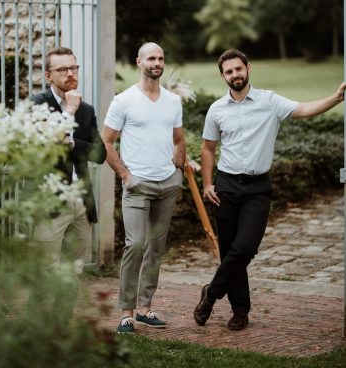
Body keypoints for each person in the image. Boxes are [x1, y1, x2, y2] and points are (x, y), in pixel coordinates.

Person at [193, 48, 345, 331]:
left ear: (248, 68)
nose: (235, 74)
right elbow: (208, 148)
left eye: (239, 69)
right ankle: (240, 311)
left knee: (245, 248)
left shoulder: (269, 101)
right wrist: (208, 183)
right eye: (229, 71)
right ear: (222, 76)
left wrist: (336, 98)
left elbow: (304, 109)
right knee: (230, 251)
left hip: (257, 187)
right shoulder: (217, 109)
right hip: (225, 186)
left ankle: (211, 293)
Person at [102, 42, 186, 334]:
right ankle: (126, 313)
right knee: (135, 244)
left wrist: (178, 169)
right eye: (151, 57)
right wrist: (126, 174)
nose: (157, 62)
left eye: (161, 58)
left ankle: (145, 309)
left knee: (155, 248)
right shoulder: (124, 100)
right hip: (138, 185)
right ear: (139, 61)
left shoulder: (173, 101)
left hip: (167, 184)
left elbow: (178, 139)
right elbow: (106, 141)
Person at [31, 46, 106, 270]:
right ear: (48, 75)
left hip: (82, 201)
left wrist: (72, 143)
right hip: (50, 202)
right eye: (62, 69)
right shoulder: (37, 105)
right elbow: (46, 147)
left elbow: (100, 154)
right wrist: (69, 112)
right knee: (45, 270)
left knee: (75, 271)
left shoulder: (86, 109)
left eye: (73, 67)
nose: (70, 74)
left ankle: (67, 308)